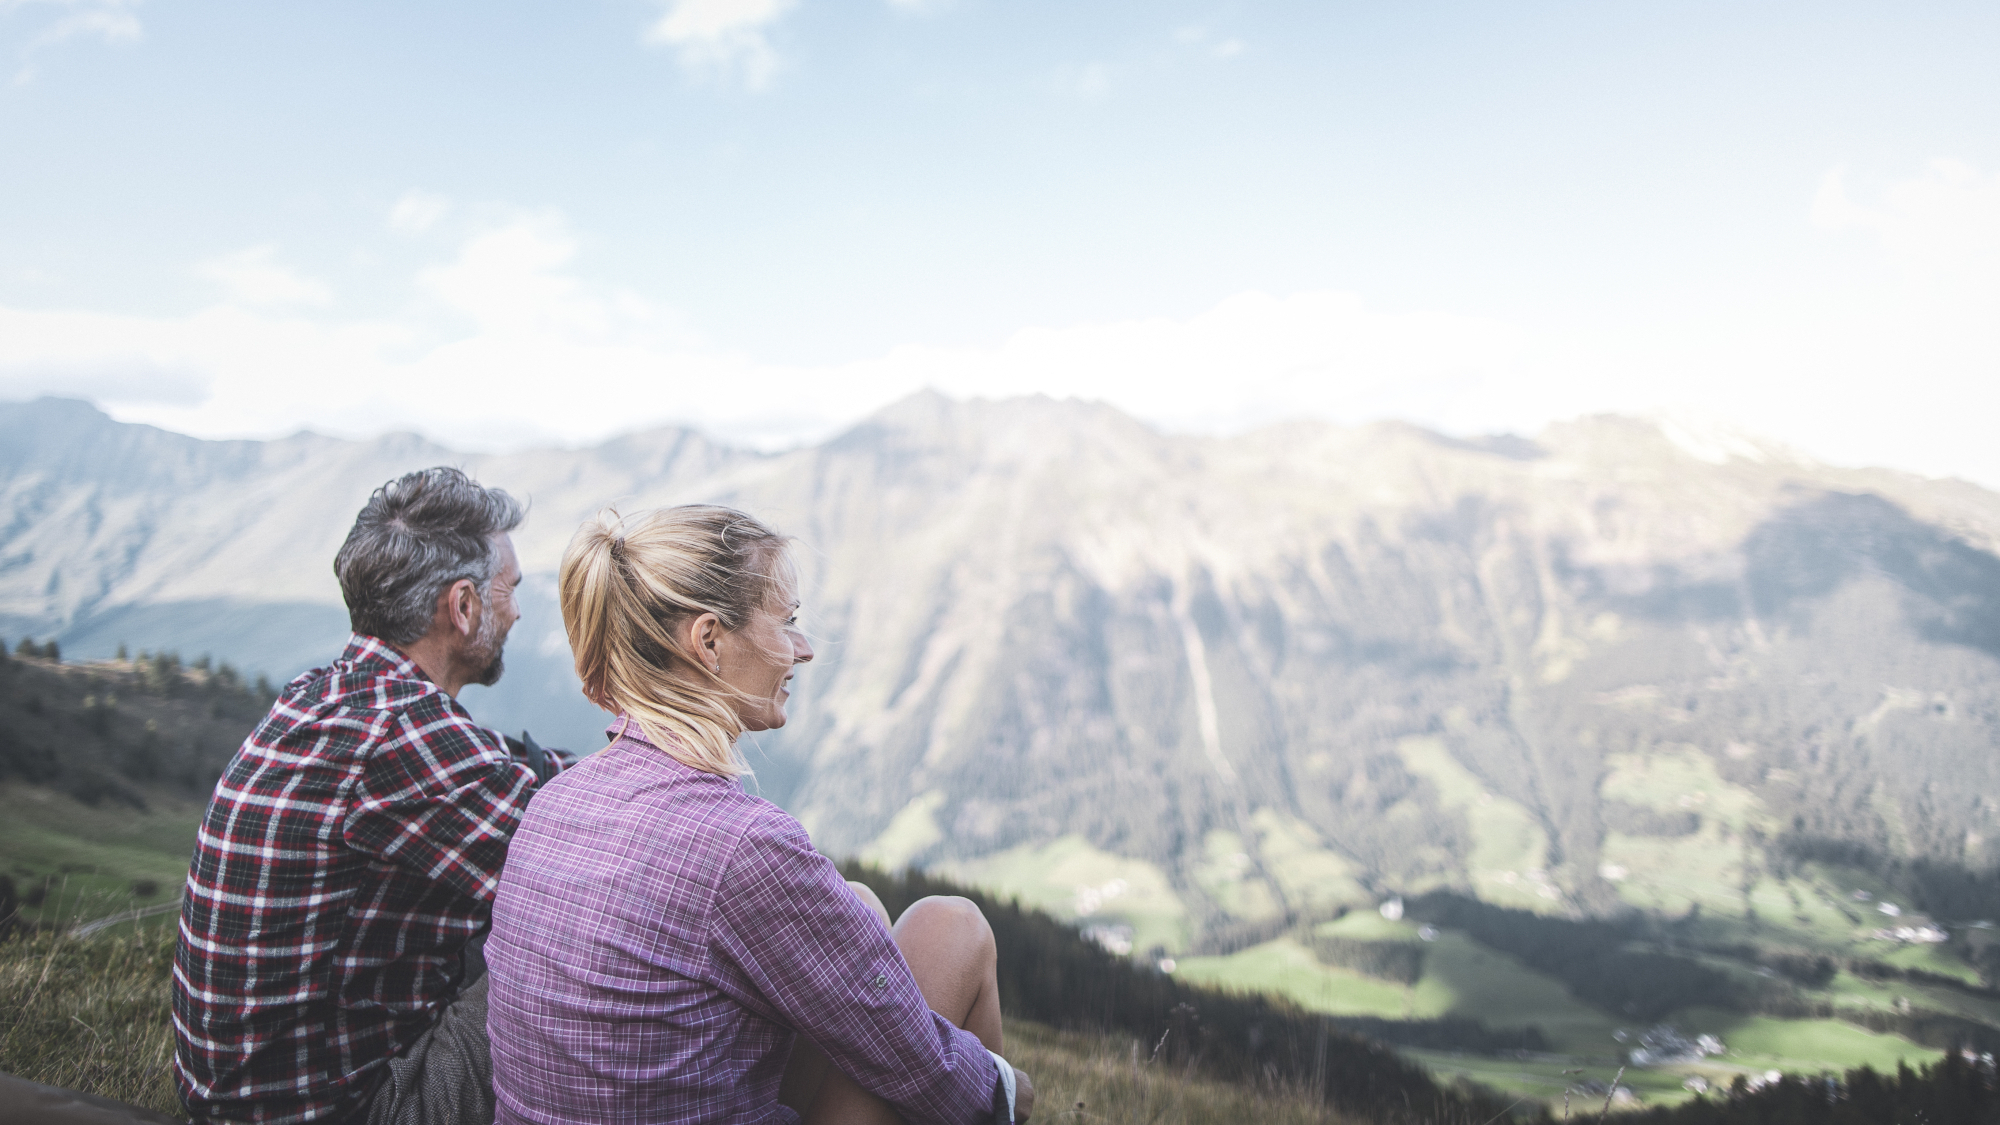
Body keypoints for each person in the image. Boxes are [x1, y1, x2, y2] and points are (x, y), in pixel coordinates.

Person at [485, 505, 1035, 1125]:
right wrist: (1011, 1089)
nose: (801, 650)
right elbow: (923, 1067)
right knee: (951, 926)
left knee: (859, 906)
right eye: (787, 622)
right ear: (709, 641)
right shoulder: (739, 844)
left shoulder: (557, 799)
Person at [173, 467, 569, 1125]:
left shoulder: (334, 694)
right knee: (601, 954)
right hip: (342, 1109)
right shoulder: (399, 728)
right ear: (463, 605)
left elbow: (499, 764)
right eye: (511, 590)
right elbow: (599, 864)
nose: (519, 611)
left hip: (244, 1100)